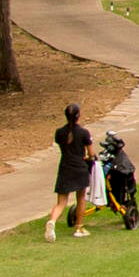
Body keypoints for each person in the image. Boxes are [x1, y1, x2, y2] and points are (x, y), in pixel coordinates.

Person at [47, 103, 93, 241]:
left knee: (61, 202)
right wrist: (87, 157)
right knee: (80, 198)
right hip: (79, 168)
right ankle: (79, 227)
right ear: (78, 116)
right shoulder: (84, 133)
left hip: (65, 168)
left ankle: (52, 221)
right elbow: (91, 154)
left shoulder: (59, 132)